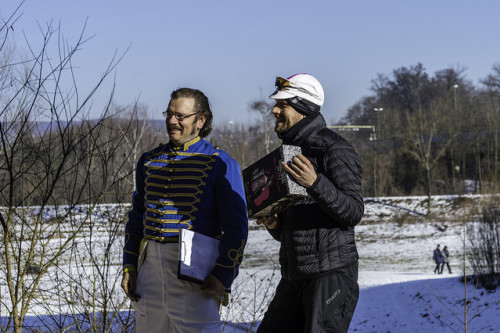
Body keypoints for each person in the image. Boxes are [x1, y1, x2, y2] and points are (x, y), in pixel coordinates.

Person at [121, 88, 248, 333]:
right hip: (150, 273)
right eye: (169, 114)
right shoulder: (148, 161)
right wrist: (130, 266)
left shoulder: (220, 163)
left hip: (196, 272)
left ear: (200, 121)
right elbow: (137, 218)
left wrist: (224, 273)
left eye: (180, 116)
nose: (171, 121)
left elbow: (236, 225)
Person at [256, 74, 364, 333]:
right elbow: (304, 229)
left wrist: (315, 183)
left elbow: (353, 211)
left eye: (282, 104)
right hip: (294, 277)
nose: (274, 110)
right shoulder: (289, 153)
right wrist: (275, 225)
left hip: (331, 277)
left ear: (302, 107)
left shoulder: (335, 150)